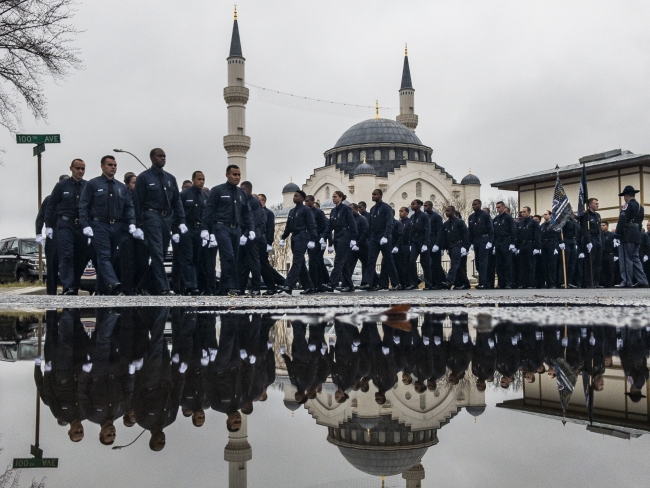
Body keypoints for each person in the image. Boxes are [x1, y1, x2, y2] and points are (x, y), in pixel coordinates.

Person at [78, 155, 136, 295]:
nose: (113, 167)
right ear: (102, 166)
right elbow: (84, 205)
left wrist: (132, 223)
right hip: (99, 224)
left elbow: (129, 207)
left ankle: (101, 289)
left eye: (115, 165)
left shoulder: (121, 187)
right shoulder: (93, 184)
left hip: (117, 226)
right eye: (110, 165)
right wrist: (85, 224)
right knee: (103, 255)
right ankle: (113, 284)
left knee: (113, 257)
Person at [133, 148, 186, 296]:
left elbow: (177, 201)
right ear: (151, 158)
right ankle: (163, 287)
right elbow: (137, 201)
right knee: (156, 252)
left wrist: (181, 220)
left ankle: (142, 285)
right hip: (151, 215)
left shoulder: (170, 178)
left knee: (161, 253)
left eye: (164, 156)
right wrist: (137, 224)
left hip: (166, 217)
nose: (162, 158)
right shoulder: (144, 177)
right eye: (159, 156)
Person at [202, 165, 255, 296]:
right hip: (221, 226)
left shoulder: (242, 193)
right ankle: (232, 286)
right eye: (234, 174)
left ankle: (222, 288)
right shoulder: (217, 190)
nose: (237, 177)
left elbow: (247, 213)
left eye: (238, 175)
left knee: (233, 258)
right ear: (227, 175)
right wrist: (205, 229)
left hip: (236, 228)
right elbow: (208, 210)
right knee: (228, 256)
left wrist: (251, 228)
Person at [44, 159, 89, 295]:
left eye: (82, 169)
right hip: (65, 224)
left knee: (80, 258)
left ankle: (75, 285)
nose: (80, 171)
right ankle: (67, 286)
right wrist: (48, 226)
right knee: (66, 255)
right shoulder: (61, 186)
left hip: (81, 226)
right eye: (77, 168)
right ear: (71, 168)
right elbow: (51, 205)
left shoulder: (87, 186)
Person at [360, 189, 401, 291]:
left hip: (384, 237)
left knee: (389, 260)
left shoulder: (386, 208)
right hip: (374, 237)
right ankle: (369, 283)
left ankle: (396, 283)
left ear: (380, 195)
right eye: (372, 194)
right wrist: (369, 238)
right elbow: (370, 226)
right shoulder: (373, 209)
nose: (373, 196)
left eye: (375, 194)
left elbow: (389, 223)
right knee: (371, 260)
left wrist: (386, 236)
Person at [278, 191, 318, 294]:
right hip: (294, 237)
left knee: (296, 262)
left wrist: (313, 239)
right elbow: (288, 227)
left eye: (296, 196)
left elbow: (312, 225)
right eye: (294, 196)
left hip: (303, 236)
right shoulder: (292, 211)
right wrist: (283, 238)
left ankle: (288, 285)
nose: (294, 198)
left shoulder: (306, 210)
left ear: (302, 198)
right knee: (301, 264)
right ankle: (309, 286)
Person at [35, 175, 69, 295]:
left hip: (69, 234)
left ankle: (68, 291)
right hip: (53, 235)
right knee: (52, 268)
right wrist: (38, 232)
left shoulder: (73, 198)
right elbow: (41, 217)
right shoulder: (50, 199)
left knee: (68, 265)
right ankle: (51, 294)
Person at [178, 171, 209, 295]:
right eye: (199, 179)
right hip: (187, 228)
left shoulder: (205, 196)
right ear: (193, 180)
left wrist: (206, 230)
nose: (201, 182)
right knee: (187, 258)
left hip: (199, 229)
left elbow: (207, 215)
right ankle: (191, 286)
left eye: (203, 179)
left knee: (197, 258)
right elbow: (178, 211)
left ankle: (195, 283)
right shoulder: (184, 195)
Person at [614, 185, 648, 288]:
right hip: (637, 234)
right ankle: (642, 280)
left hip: (627, 234)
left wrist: (617, 234)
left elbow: (622, 219)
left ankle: (626, 281)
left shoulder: (627, 205)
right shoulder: (640, 207)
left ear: (627, 195)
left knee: (625, 258)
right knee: (635, 258)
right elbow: (640, 222)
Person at [324, 191, 357, 292]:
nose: (333, 198)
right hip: (337, 236)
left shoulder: (346, 209)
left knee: (338, 261)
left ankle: (331, 283)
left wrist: (353, 239)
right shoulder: (334, 210)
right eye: (332, 197)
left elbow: (352, 224)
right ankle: (350, 285)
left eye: (335, 197)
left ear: (341, 198)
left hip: (345, 236)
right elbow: (330, 225)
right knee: (344, 263)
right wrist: (324, 237)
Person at [238, 181, 264, 296]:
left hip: (252, 235)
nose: (242, 191)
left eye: (244, 189)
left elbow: (254, 220)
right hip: (242, 235)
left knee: (254, 263)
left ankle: (256, 287)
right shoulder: (241, 200)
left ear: (249, 189)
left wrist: (246, 234)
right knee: (242, 264)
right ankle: (241, 287)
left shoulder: (254, 202)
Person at [258, 194, 285, 295]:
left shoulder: (268, 213)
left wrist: (269, 242)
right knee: (263, 265)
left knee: (264, 265)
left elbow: (270, 228)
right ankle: (281, 281)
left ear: (264, 201)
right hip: (259, 240)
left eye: (259, 200)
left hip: (264, 240)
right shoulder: (259, 211)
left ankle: (273, 285)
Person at [440, 205, 470, 289]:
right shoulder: (446, 224)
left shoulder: (459, 222)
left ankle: (449, 282)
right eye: (446, 211)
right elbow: (444, 237)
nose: (446, 212)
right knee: (459, 266)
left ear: (453, 212)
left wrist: (465, 246)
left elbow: (465, 234)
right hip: (450, 246)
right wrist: (444, 248)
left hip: (458, 245)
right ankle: (465, 283)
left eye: (448, 211)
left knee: (454, 264)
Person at [467, 199, 494, 289]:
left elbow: (490, 229)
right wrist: (471, 242)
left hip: (484, 239)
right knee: (478, 263)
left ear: (480, 205)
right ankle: (483, 281)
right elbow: (470, 231)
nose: (473, 206)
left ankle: (483, 282)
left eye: (475, 204)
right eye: (472, 204)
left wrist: (490, 241)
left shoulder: (485, 215)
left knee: (483, 262)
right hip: (476, 240)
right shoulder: (471, 217)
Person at [342, 203, 369, 291]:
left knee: (367, 264)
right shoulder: (349, 220)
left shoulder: (362, 219)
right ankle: (347, 284)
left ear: (356, 209)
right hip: (352, 246)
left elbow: (365, 232)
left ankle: (372, 283)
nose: (350, 211)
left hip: (362, 245)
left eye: (351, 209)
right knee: (349, 265)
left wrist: (358, 244)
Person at [305, 195, 329, 292]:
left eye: (308, 201)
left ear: (312, 202)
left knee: (313, 262)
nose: (306, 203)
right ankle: (320, 284)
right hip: (309, 240)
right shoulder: (306, 212)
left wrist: (323, 239)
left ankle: (315, 284)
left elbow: (325, 226)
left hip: (317, 239)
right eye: (305, 202)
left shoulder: (318, 212)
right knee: (317, 262)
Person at [406, 199, 432, 290]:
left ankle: (428, 284)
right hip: (414, 243)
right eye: (411, 204)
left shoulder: (424, 216)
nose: (412, 206)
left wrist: (426, 243)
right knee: (411, 261)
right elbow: (411, 231)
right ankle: (414, 282)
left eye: (414, 204)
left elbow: (427, 230)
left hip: (423, 242)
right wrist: (410, 243)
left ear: (419, 205)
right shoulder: (412, 217)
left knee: (425, 263)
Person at [492, 201, 517, 289]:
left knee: (507, 263)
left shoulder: (508, 218)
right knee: (499, 264)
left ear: (503, 207)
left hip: (506, 241)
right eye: (497, 207)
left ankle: (509, 283)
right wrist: (494, 244)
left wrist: (513, 243)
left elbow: (513, 230)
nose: (497, 209)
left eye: (499, 207)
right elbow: (493, 233)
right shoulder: (495, 219)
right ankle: (501, 283)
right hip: (498, 242)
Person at [515, 206, 541, 289]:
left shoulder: (533, 223)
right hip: (522, 245)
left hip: (530, 245)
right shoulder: (520, 223)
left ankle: (531, 283)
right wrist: (517, 247)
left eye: (524, 212)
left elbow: (537, 235)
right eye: (522, 212)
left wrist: (537, 247)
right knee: (522, 265)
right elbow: (518, 236)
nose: (522, 213)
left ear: (529, 212)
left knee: (531, 265)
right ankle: (523, 283)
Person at [581, 198, 603, 287]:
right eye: (595, 203)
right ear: (589, 205)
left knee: (598, 262)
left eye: (598, 203)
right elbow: (584, 229)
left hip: (598, 239)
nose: (597, 205)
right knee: (590, 262)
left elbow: (600, 229)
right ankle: (589, 282)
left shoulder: (597, 215)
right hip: (591, 239)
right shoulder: (585, 215)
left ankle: (596, 282)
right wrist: (588, 241)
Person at [538, 210, 560, 289]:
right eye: (543, 215)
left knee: (552, 266)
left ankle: (552, 283)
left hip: (552, 245)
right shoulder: (542, 225)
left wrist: (556, 247)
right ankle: (547, 282)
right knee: (545, 265)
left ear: (550, 215)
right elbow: (540, 236)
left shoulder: (554, 224)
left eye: (546, 214)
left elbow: (558, 236)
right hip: (544, 246)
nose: (544, 216)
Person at [600, 221, 616, 287]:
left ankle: (610, 284)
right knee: (602, 269)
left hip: (609, 254)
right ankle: (603, 283)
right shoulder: (600, 235)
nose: (602, 227)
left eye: (604, 225)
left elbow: (615, 245)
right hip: (602, 254)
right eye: (601, 225)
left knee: (610, 270)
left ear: (607, 226)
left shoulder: (611, 235)